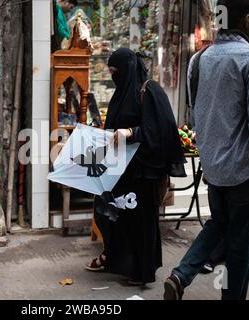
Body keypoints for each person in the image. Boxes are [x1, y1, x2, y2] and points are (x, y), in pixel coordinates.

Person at [164, 0, 249, 300]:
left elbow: (195, 116)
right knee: (241, 247)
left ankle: (181, 274)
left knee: (219, 224)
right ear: (243, 20)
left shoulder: (198, 61)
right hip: (244, 170)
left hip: (213, 169)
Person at [86, 48, 186, 286]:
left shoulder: (151, 90)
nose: (113, 76)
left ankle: (142, 271)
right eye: (110, 72)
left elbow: (164, 130)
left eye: (115, 71)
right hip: (121, 169)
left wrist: (132, 132)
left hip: (144, 170)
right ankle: (115, 258)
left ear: (129, 69)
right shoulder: (121, 94)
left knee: (140, 222)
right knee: (108, 212)